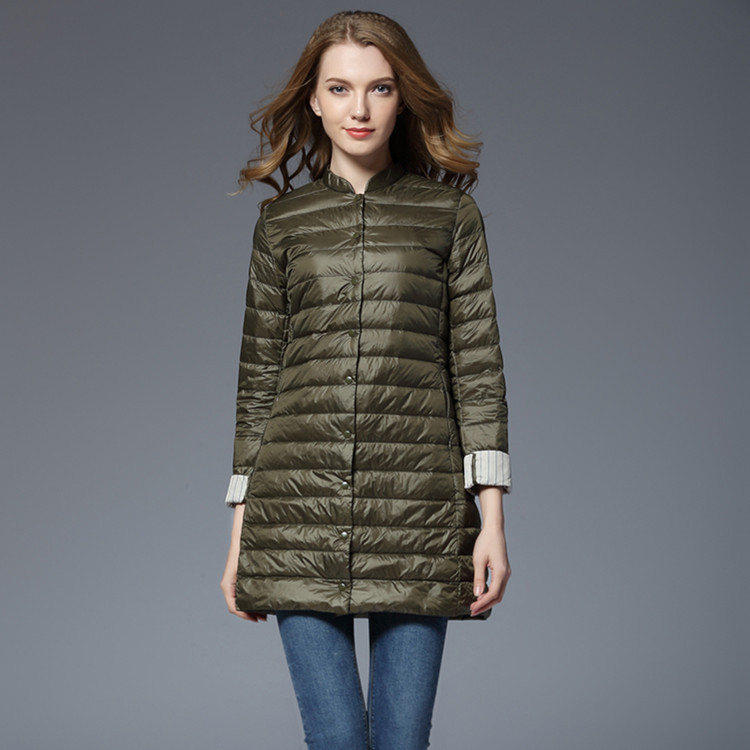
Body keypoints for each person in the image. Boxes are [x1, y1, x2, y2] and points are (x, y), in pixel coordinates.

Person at [220, 10, 512, 749]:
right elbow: (259, 382)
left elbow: (477, 369)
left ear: (403, 97)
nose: (359, 108)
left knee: (402, 742)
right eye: (340, 88)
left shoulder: (450, 217)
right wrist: (240, 538)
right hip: (295, 515)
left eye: (379, 88)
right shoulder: (282, 225)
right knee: (338, 741)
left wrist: (492, 522)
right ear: (314, 100)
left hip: (419, 512)